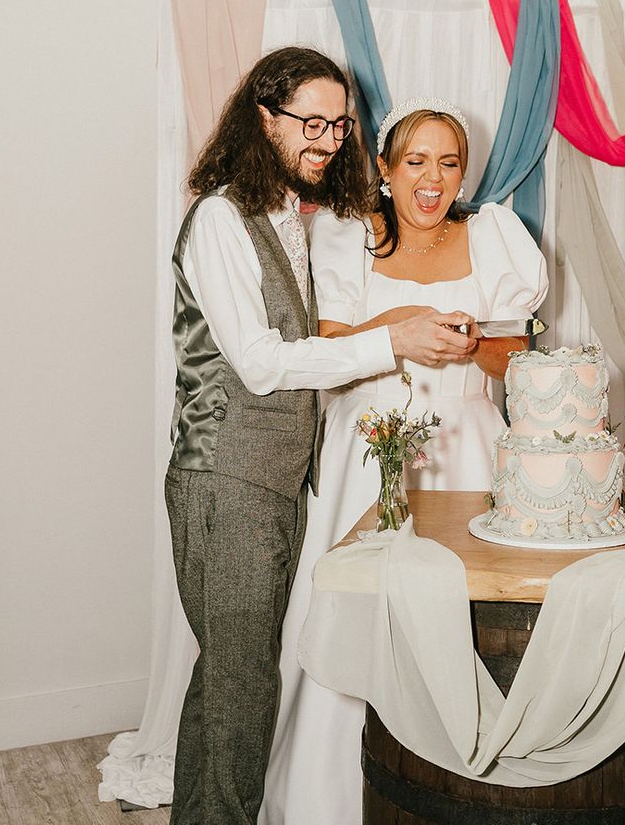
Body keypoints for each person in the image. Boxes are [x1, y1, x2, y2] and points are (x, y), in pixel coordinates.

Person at [165, 59, 475, 825]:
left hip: (272, 482)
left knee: (228, 681)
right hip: (226, 480)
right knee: (242, 691)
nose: (330, 141)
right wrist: (393, 342)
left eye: (340, 125)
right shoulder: (219, 219)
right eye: (314, 122)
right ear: (262, 117)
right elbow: (262, 365)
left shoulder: (285, 218)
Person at [259, 99, 549, 825]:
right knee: (359, 609)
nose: (433, 178)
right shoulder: (348, 236)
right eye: (415, 161)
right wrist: (403, 329)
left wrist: (468, 341)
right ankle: (328, 796)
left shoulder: (495, 236)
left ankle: (464, 788)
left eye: (449, 163)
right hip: (372, 448)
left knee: (468, 619)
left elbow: (514, 356)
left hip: (470, 450)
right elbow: (330, 344)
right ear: (384, 169)